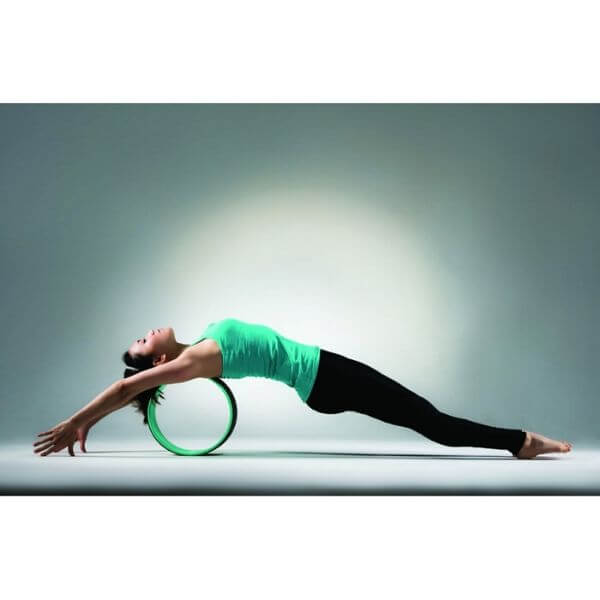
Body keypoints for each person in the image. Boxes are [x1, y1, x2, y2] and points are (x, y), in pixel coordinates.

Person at [33, 317, 573, 459]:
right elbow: (124, 389)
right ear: (158, 361)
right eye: (142, 343)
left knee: (425, 417)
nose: (146, 333)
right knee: (430, 420)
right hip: (324, 377)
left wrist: (89, 420)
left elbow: (127, 389)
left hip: (322, 378)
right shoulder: (189, 362)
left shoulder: (196, 346)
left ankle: (519, 442)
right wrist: (80, 419)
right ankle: (521, 442)